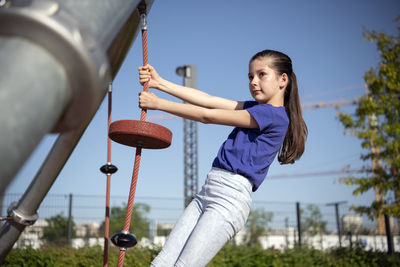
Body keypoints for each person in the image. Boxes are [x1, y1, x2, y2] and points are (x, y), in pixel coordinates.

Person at [138, 49, 307, 267]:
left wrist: (159, 104)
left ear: (282, 79)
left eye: (261, 74)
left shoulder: (274, 115)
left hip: (229, 199)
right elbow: (209, 101)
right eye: (250, 77)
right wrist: (160, 83)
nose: (254, 81)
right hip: (208, 190)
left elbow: (209, 116)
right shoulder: (256, 108)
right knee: (161, 263)